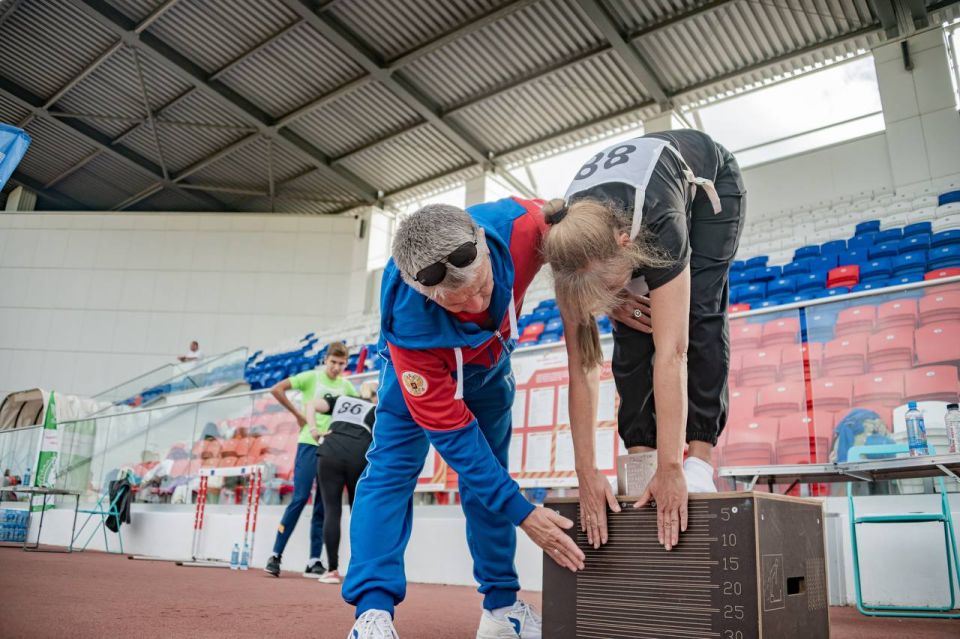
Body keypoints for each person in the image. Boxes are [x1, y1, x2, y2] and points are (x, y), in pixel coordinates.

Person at [344, 199, 585, 639]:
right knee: (390, 473)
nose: (476, 304)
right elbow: (455, 441)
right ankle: (371, 614)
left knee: (491, 473)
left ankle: (502, 609)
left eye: (483, 288)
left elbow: (583, 237)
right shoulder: (408, 324)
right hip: (419, 372)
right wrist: (522, 512)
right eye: (459, 303)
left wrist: (613, 294)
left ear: (485, 249)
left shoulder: (523, 227)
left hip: (491, 368)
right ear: (427, 293)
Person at [542, 129, 745, 552]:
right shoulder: (568, 250)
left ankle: (700, 459)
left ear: (626, 245)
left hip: (707, 190)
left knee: (695, 316)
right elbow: (582, 369)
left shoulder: (660, 224)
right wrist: (586, 472)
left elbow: (673, 353)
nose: (600, 301)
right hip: (618, 215)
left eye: (605, 290)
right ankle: (640, 455)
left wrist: (673, 465)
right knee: (631, 328)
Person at [263, 342, 357, 578]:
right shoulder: (310, 378)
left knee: (323, 506)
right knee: (300, 497)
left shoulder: (346, 386)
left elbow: (360, 407)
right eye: (333, 362)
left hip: (332, 449)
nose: (336, 367)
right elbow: (277, 389)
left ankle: (314, 560)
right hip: (308, 443)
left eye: (341, 363)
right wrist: (298, 415)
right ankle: (275, 555)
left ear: (346, 363)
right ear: (326, 360)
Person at [303, 380, 379, 585]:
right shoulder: (376, 410)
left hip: (329, 453)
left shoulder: (342, 399)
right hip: (358, 456)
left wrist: (313, 430)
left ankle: (332, 570)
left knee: (332, 511)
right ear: (375, 396)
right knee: (359, 512)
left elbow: (310, 404)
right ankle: (361, 570)